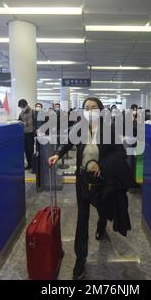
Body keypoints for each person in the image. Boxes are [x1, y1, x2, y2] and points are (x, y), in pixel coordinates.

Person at [48, 97, 136, 280]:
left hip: (101, 180)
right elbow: (67, 143)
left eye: (93, 107)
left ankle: (102, 223)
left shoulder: (110, 129)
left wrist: (101, 165)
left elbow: (120, 152)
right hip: (82, 179)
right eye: (86, 108)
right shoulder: (79, 128)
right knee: (82, 217)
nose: (89, 110)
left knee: (103, 209)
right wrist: (57, 154)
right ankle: (80, 259)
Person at [18, 99, 35, 170]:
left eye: (23, 106)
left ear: (26, 105)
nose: (22, 108)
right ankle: (29, 164)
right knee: (26, 150)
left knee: (30, 150)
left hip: (31, 133)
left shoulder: (33, 112)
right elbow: (20, 121)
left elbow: (35, 122)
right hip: (24, 133)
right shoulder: (21, 113)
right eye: (21, 107)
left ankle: (33, 164)